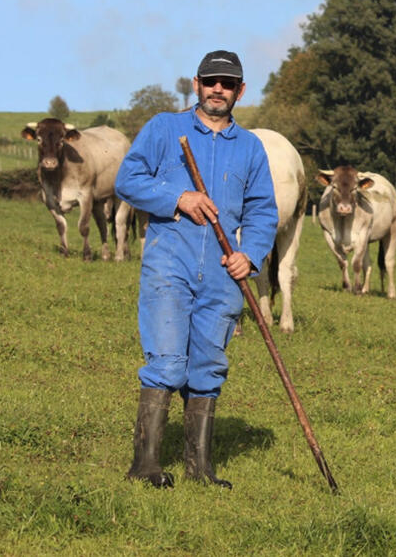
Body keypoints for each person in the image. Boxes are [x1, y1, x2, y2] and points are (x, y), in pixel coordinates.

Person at [116, 50, 278, 489]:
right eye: (211, 81)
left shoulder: (250, 148)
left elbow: (263, 212)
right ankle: (145, 465)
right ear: (196, 84)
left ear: (240, 91)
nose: (218, 89)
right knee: (167, 361)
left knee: (208, 367)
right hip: (170, 264)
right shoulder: (165, 129)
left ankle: (199, 469)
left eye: (227, 83)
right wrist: (177, 197)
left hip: (226, 273)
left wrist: (252, 255)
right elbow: (127, 180)